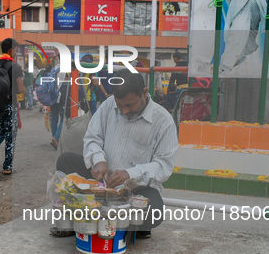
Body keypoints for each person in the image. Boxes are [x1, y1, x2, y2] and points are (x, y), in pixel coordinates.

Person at [51, 69, 178, 238]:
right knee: (65, 160)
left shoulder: (164, 122)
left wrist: (129, 174)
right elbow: (92, 137)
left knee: (154, 212)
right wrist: (98, 160)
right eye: (120, 105)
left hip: (136, 188)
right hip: (102, 180)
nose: (124, 111)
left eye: (130, 105)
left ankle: (126, 223)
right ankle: (80, 216)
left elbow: (163, 166)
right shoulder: (109, 105)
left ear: (144, 93)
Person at [0, 38, 24, 175]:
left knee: (0, 132)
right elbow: (20, 90)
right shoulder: (15, 67)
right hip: (10, 106)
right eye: (15, 50)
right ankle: (7, 167)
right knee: (10, 136)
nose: (16, 53)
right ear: (10, 50)